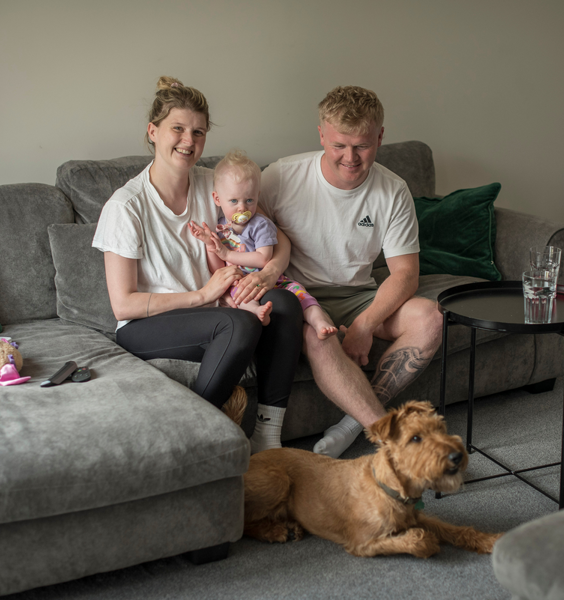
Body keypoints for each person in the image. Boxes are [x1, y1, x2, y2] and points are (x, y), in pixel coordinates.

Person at [92, 76, 303, 454]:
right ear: (153, 132)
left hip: (215, 311)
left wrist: (269, 273)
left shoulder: (216, 186)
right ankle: (192, 445)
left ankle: (268, 438)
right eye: (178, 129)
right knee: (238, 322)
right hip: (147, 327)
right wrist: (205, 294)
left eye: (199, 132)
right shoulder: (126, 206)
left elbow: (276, 238)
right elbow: (123, 304)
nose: (189, 141)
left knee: (285, 304)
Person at [258, 85, 444, 458]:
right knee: (316, 333)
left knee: (431, 318)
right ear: (322, 134)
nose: (350, 157)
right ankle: (392, 442)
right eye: (339, 144)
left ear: (380, 136)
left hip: (358, 295)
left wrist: (365, 325)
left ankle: (350, 425)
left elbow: (405, 273)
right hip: (298, 295)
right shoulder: (280, 178)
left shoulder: (393, 190)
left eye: (362, 145)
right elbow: (250, 239)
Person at [188, 150, 338, 339]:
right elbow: (217, 270)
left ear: (257, 197)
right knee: (238, 297)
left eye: (249, 200)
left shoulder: (260, 224)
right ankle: (257, 313)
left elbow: (263, 257)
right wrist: (211, 245)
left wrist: (227, 255)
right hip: (240, 284)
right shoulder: (221, 229)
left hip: (274, 281)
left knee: (302, 295)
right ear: (217, 199)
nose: (242, 208)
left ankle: (320, 322)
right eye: (234, 201)